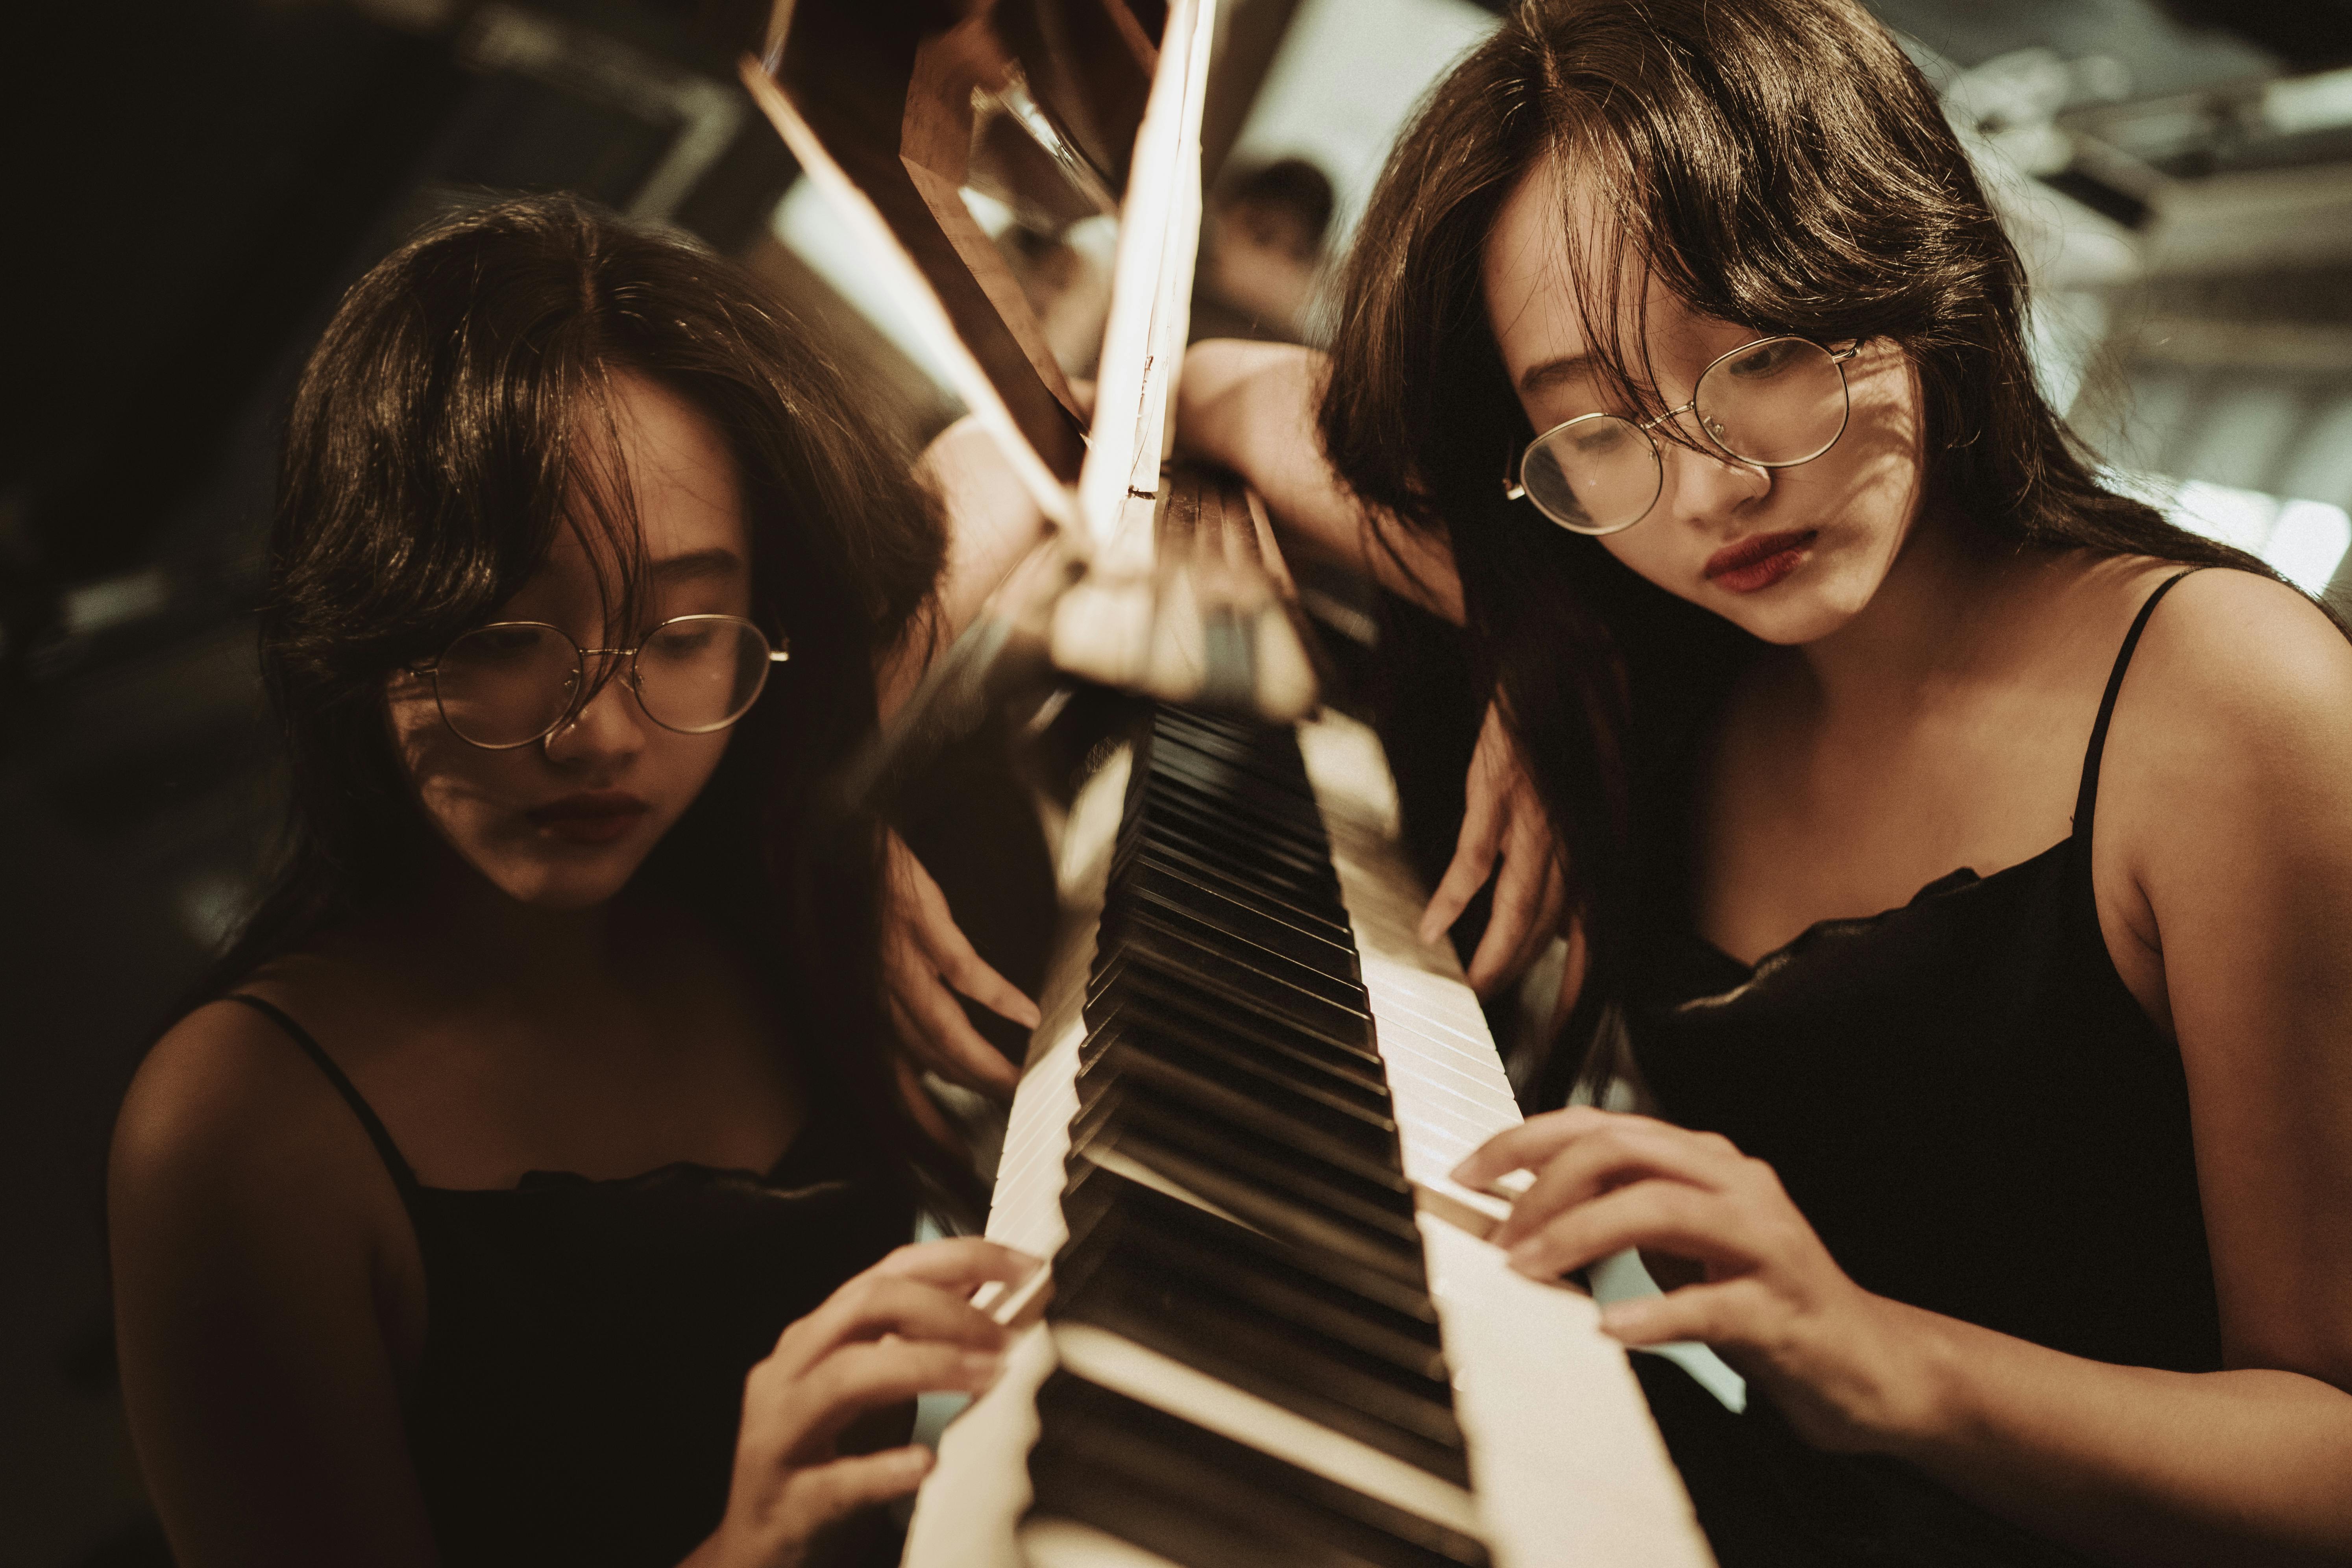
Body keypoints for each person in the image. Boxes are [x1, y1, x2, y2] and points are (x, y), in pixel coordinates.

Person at [1177, 0, 2352, 1561]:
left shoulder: (2228, 700)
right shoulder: (1636, 615)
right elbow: (1216, 385)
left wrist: (1873, 1357)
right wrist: (1536, 655)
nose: (1718, 489)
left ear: (1911, 264)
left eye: (1768, 355)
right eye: (1594, 421)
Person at [108, 195, 1041, 1568]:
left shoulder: (751, 815)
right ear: (366, 616)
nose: (600, 733)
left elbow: (1024, 459)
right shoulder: (238, 1128)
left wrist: (1205, 381)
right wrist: (743, 1550)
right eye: (502, 632)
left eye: (685, 628)